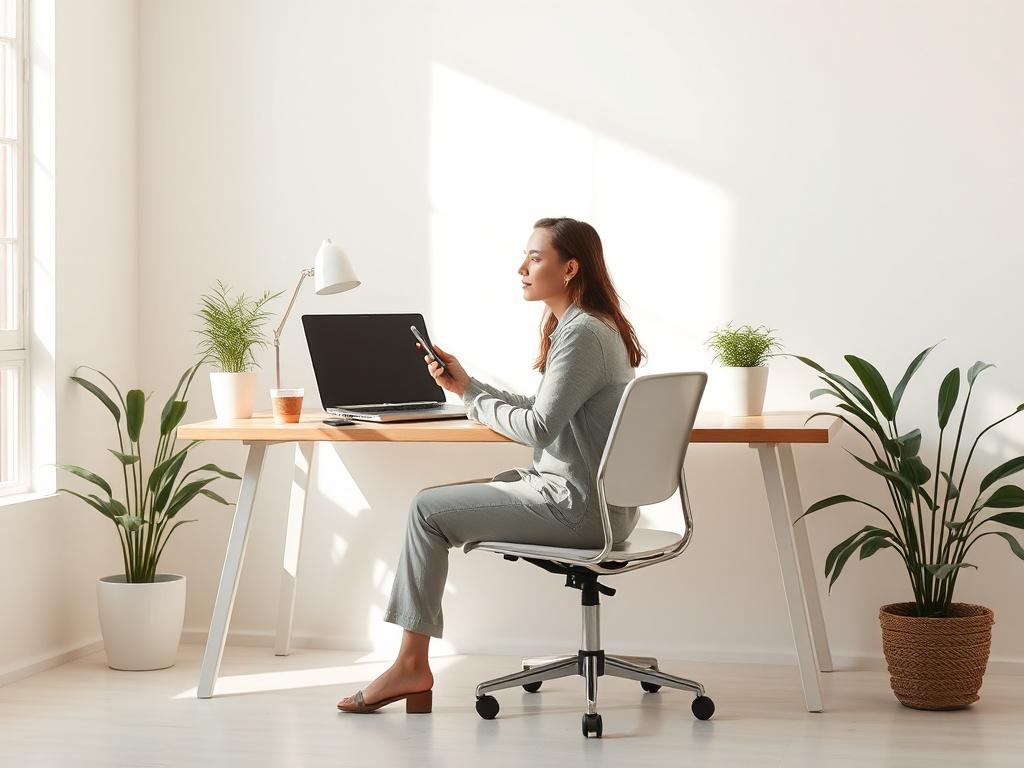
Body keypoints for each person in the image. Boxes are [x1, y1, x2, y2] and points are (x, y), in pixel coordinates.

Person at [337, 217, 646, 714]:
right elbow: (546, 408)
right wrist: (467, 388)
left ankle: (411, 666)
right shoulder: (588, 326)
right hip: (604, 506)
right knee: (431, 508)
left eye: (535, 257)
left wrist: (473, 400)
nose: (521, 267)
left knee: (425, 510)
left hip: (579, 509)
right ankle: (410, 665)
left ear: (570, 268)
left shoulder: (582, 333)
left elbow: (540, 427)